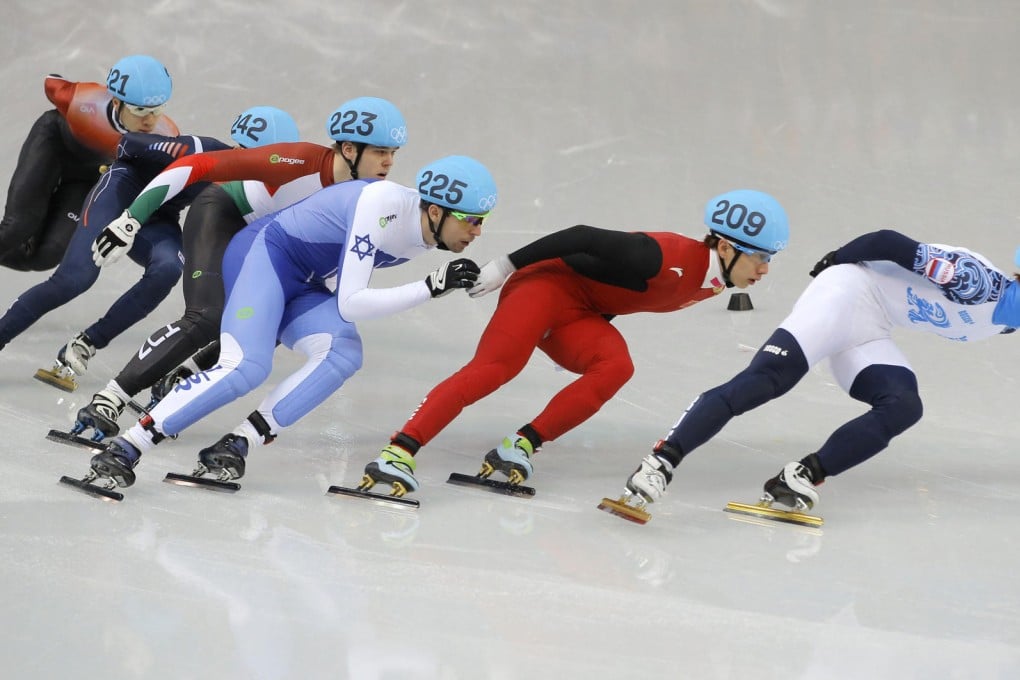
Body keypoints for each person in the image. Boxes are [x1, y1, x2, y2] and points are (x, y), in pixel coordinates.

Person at [86, 154, 498, 492]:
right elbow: (353, 303)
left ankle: (238, 442)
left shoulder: (425, 233)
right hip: (264, 256)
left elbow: (341, 289)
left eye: (483, 221)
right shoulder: (383, 206)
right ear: (437, 210)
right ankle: (128, 445)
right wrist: (430, 287)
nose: (478, 232)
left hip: (304, 283)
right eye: (472, 220)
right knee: (247, 367)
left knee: (343, 352)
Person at [356, 189, 790, 498]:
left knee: (616, 366)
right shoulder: (666, 257)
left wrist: (584, 333)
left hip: (577, 312)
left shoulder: (714, 282)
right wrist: (506, 266)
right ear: (730, 247)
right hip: (541, 287)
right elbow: (582, 236)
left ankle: (519, 446)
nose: (765, 270)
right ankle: (398, 451)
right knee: (497, 368)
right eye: (762, 258)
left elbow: (623, 291)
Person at [615, 229, 1020, 519]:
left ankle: (800, 476)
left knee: (903, 406)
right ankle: (660, 463)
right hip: (845, 291)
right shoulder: (976, 284)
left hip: (871, 328)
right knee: (768, 380)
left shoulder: (1008, 316)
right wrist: (832, 262)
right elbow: (886, 242)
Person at [72, 97, 407, 440]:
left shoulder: (368, 195)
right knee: (208, 316)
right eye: (381, 151)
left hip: (271, 246)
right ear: (349, 149)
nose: (390, 162)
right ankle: (111, 397)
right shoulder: (297, 161)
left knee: (274, 316)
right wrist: (131, 219)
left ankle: (185, 376)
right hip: (226, 214)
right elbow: (198, 165)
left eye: (394, 152)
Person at [0, 105, 299, 392]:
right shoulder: (201, 149)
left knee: (169, 267)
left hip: (159, 216)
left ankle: (89, 342)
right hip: (120, 192)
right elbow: (129, 142)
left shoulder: (262, 187)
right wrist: (118, 161)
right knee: (75, 279)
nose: (252, 164)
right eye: (248, 153)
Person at [0, 55, 178, 271]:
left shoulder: (166, 136)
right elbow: (52, 82)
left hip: (86, 176)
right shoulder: (83, 100)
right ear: (115, 102)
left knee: (46, 255)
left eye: (157, 110)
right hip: (54, 145)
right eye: (139, 110)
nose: (149, 120)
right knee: (17, 228)